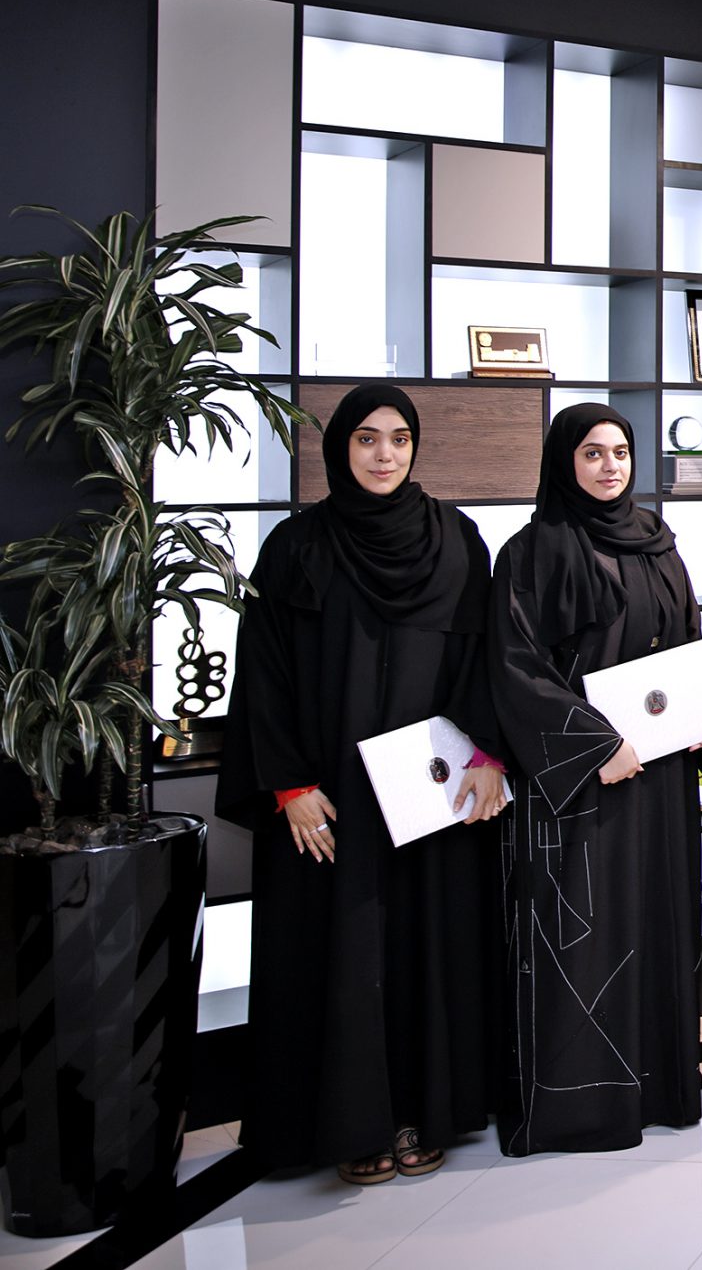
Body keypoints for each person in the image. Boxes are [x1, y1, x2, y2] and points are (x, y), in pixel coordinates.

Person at [216, 383, 507, 1184]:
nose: (384, 454)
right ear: (340, 447)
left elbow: (484, 658)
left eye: (399, 439)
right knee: (338, 951)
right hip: (331, 799)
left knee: (422, 950)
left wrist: (487, 756)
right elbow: (263, 672)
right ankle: (348, 1125)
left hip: (427, 797)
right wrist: (288, 785)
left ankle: (419, 1112)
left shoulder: (456, 539)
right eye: (367, 439)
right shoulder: (296, 546)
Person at [487, 403, 702, 1154]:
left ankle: (661, 1085)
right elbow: (515, 668)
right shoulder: (530, 553)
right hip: (583, 784)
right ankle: (582, 1106)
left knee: (656, 920)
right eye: (592, 453)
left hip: (660, 776)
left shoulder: (658, 544)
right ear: (564, 461)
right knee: (585, 935)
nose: (610, 466)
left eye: (619, 451)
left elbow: (686, 642)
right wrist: (594, 746)